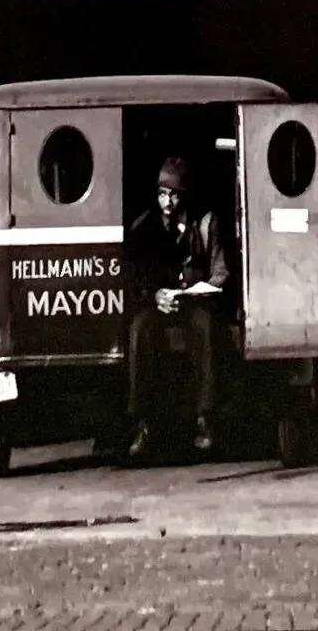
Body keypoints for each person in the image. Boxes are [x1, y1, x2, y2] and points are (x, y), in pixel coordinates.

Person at [124, 156, 230, 461]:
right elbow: (134, 275)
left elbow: (221, 271)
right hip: (159, 303)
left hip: (195, 302)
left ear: (185, 196)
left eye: (174, 195)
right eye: (162, 194)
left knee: (207, 328)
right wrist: (155, 295)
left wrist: (201, 291)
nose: (167, 202)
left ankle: (205, 419)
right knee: (140, 329)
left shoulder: (207, 223)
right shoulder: (145, 227)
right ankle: (142, 424)